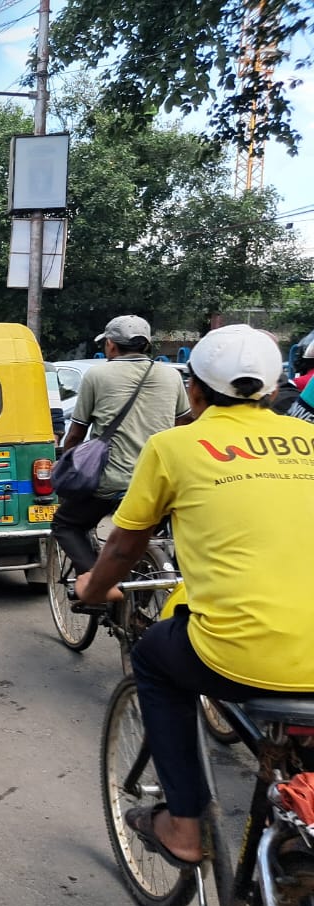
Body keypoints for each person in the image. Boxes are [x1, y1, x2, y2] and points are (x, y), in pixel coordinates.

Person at [76, 325, 314, 869]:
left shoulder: (175, 445)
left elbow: (124, 543)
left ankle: (184, 825)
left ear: (195, 391)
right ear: (274, 390)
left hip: (240, 651)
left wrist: (91, 585)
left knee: (154, 659)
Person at [52, 316, 191, 573]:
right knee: (151, 535)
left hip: (110, 483)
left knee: (65, 523)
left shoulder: (98, 375)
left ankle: (96, 587)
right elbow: (184, 425)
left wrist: (67, 467)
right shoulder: (171, 375)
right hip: (159, 483)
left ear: (111, 345)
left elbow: (76, 433)